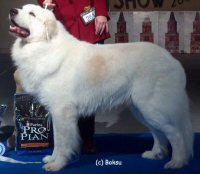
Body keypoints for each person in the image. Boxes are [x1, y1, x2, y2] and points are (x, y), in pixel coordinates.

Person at [37, 0, 110, 153]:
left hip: (89, 25)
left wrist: (102, 13)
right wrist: (45, 2)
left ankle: (86, 137)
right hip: (62, 29)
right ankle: (65, 140)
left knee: (88, 86)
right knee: (61, 90)